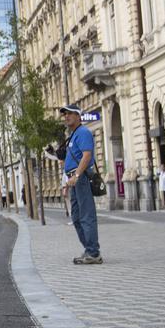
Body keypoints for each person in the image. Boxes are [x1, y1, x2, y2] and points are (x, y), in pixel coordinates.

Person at [60, 104, 101, 264]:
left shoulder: (83, 132)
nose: (66, 117)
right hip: (73, 180)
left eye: (70, 114)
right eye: (65, 115)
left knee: (86, 216)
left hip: (81, 178)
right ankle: (89, 249)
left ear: (78, 116)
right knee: (76, 218)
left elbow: (87, 155)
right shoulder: (74, 134)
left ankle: (93, 252)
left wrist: (76, 175)